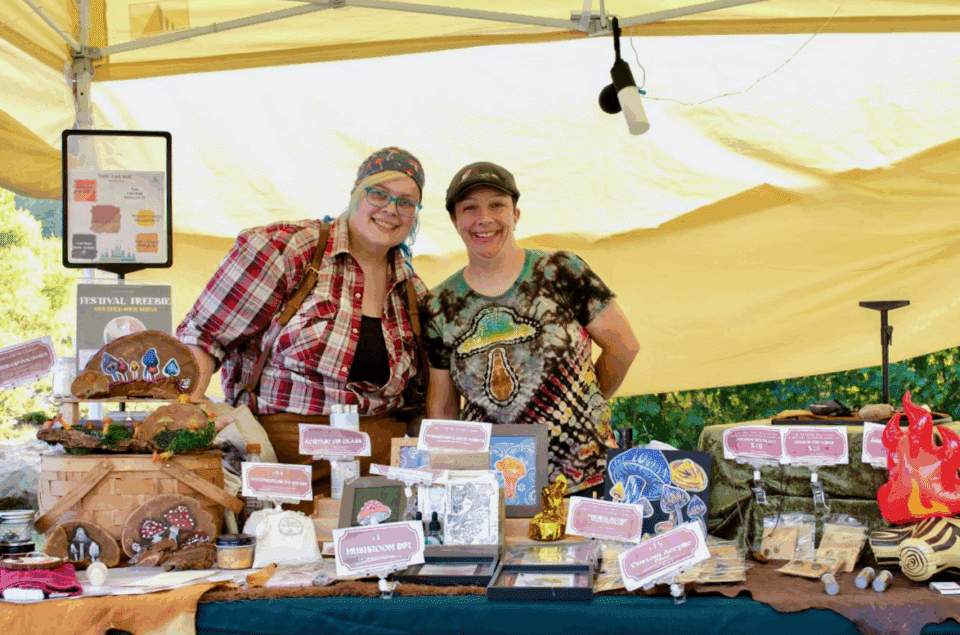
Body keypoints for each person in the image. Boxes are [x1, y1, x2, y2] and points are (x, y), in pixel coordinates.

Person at [177, 147, 429, 511]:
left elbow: (419, 400)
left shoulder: (411, 290)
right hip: (283, 470)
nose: (391, 209)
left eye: (406, 202)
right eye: (379, 194)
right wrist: (182, 423)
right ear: (356, 192)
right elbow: (203, 337)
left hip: (378, 478)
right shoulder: (288, 249)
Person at [422, 161, 639, 496]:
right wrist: (450, 477)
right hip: (492, 487)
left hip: (584, 475)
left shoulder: (561, 271)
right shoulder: (438, 304)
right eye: (470, 208)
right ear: (454, 221)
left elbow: (623, 345)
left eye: (497, 205)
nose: (484, 218)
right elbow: (443, 408)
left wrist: (585, 405)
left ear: (516, 214)